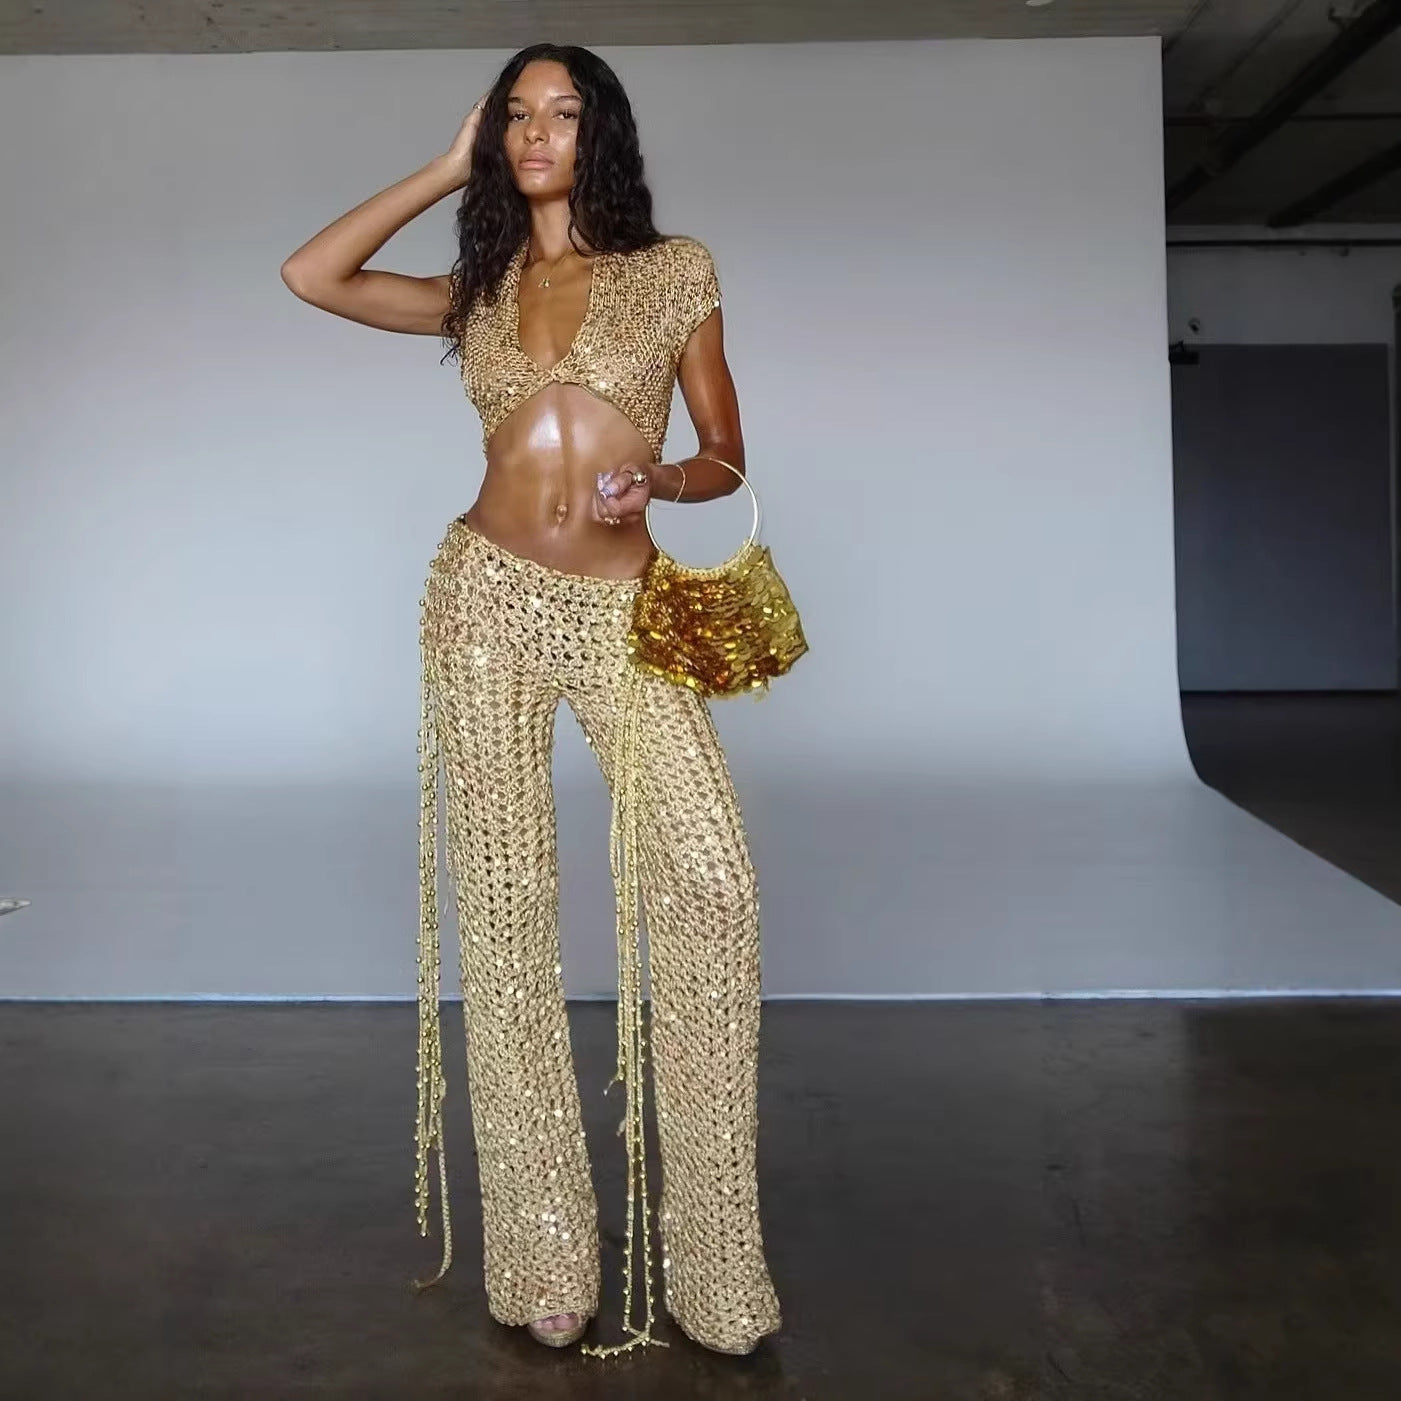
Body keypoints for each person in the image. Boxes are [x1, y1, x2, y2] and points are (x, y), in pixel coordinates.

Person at [280, 43, 782, 1358]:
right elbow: (312, 275)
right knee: (505, 922)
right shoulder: (481, 290)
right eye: (515, 116)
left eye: (561, 112)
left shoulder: (674, 273)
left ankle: (715, 1267)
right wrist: (443, 168)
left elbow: (726, 453)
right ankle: (545, 1256)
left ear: (600, 132)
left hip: (620, 606)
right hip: (484, 601)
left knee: (711, 884)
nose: (537, 131)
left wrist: (659, 482)